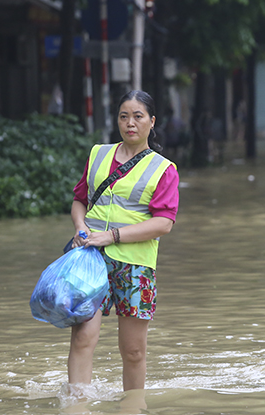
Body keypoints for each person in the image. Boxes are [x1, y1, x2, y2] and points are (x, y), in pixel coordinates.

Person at [68, 90, 180, 392]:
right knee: (82, 338)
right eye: (123, 116)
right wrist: (81, 227)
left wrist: (112, 235)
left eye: (138, 116)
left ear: (152, 121)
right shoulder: (98, 155)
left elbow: (164, 223)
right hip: (91, 260)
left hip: (136, 266)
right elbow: (79, 200)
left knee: (133, 351)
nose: (130, 123)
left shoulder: (164, 169)